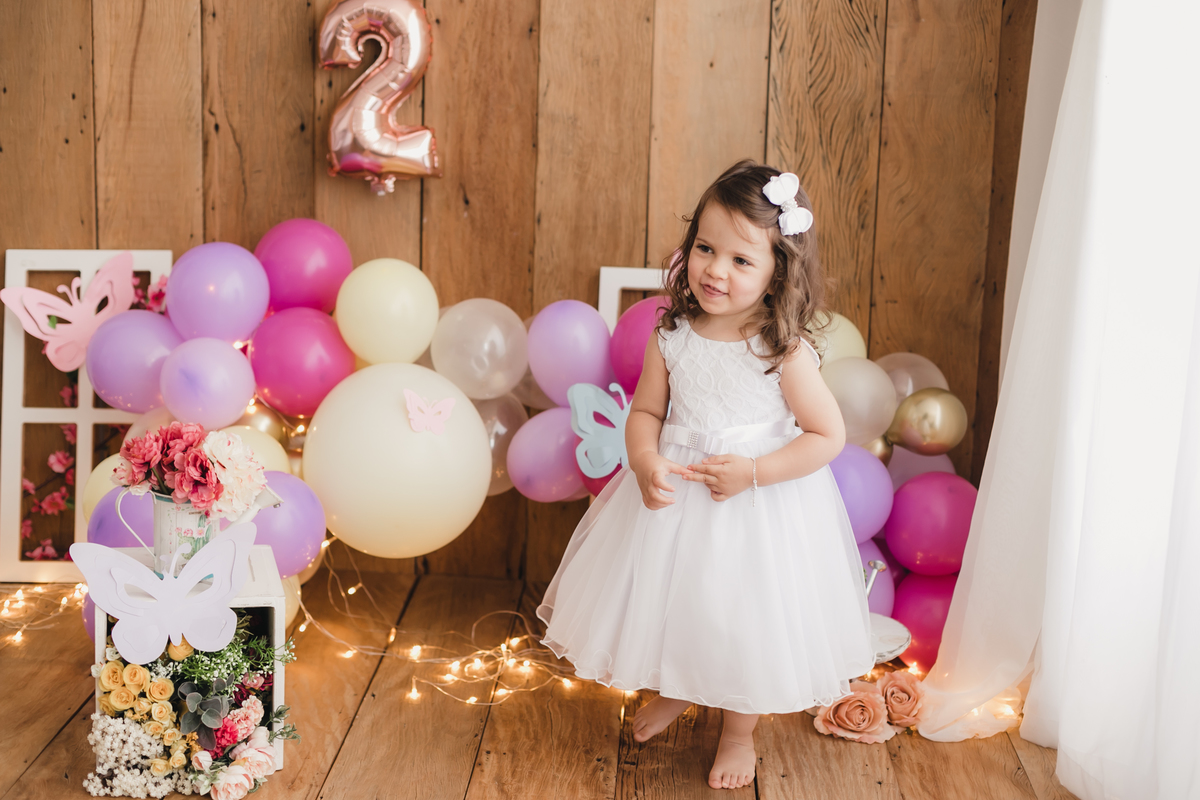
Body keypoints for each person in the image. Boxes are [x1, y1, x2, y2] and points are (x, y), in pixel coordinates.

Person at [537, 160, 874, 790]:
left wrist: (756, 471)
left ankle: (739, 733)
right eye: (705, 249)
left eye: (741, 260)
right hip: (680, 496)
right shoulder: (672, 334)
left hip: (755, 506)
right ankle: (680, 686)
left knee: (744, 617)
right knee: (678, 600)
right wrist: (644, 460)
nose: (716, 270)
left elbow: (826, 436)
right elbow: (646, 413)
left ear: (779, 271)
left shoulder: (782, 350)